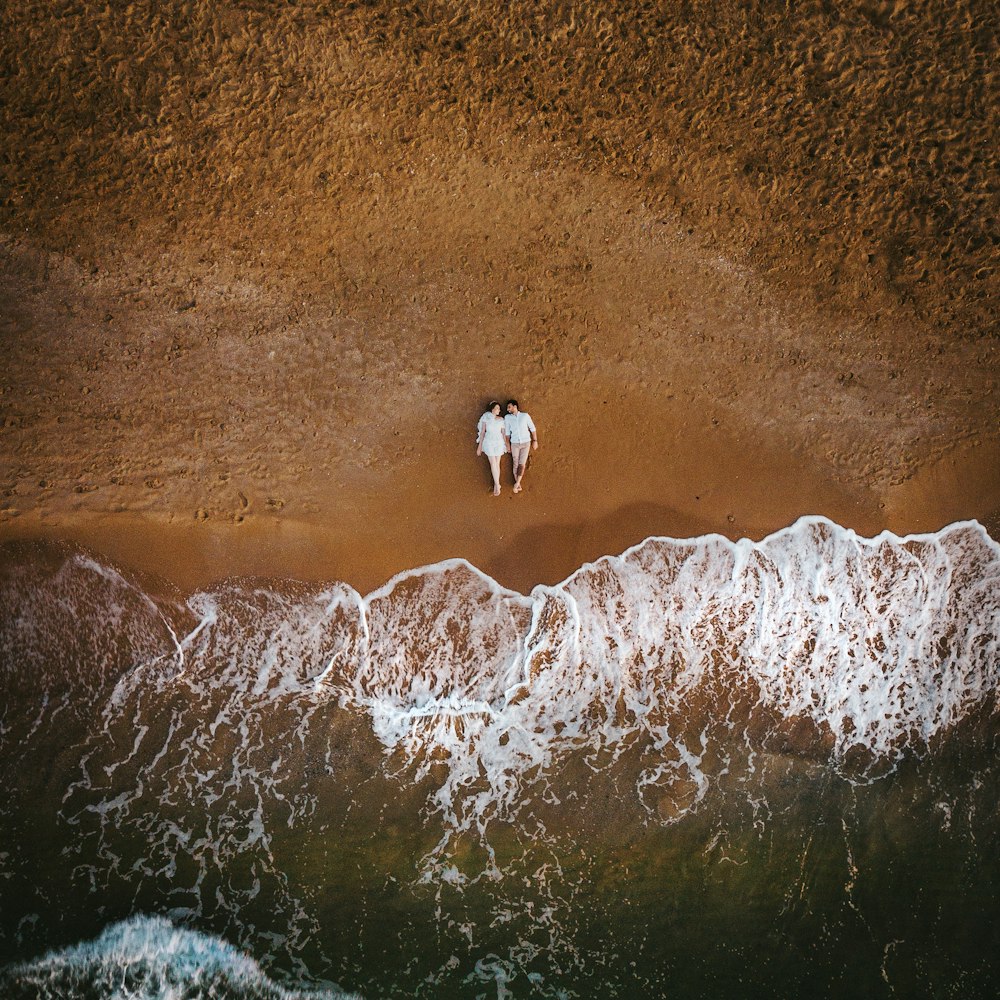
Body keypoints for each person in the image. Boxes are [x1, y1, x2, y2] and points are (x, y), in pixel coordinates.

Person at [504, 399, 537, 493]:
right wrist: (508, 445)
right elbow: (507, 433)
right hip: (514, 443)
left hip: (526, 443)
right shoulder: (507, 418)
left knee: (522, 463)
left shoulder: (525, 416)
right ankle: (517, 485)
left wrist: (535, 440)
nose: (508, 409)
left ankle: (517, 483)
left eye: (509, 407)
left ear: (515, 406)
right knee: (515, 463)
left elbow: (532, 428)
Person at [476, 401, 509, 496]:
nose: (499, 410)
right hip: (488, 441)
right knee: (493, 462)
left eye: (499, 408)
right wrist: (479, 446)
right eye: (497, 408)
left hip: (498, 442)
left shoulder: (501, 419)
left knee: (497, 463)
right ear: (492, 409)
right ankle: (498, 484)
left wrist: (506, 444)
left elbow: (503, 433)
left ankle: (496, 484)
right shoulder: (486, 418)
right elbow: (482, 432)